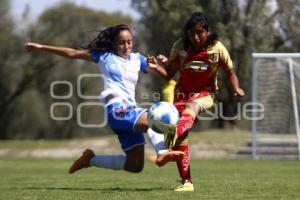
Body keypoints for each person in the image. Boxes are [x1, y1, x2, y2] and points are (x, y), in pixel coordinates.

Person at [24, 24, 184, 175]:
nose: (127, 46)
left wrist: (163, 64)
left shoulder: (138, 59)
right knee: (153, 118)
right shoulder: (104, 56)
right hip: (118, 111)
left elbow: (166, 76)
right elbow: (72, 53)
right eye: (121, 43)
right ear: (114, 44)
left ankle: (90, 159)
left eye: (129, 42)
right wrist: (41, 47)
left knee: (135, 165)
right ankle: (163, 153)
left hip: (130, 115)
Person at [153, 12, 244, 192]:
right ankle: (187, 182)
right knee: (182, 140)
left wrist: (236, 88)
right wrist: (157, 66)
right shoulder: (180, 46)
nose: (195, 37)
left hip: (205, 93)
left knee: (191, 106)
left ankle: (168, 142)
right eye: (191, 33)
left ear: (207, 31)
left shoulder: (217, 49)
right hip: (181, 93)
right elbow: (169, 75)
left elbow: (230, 72)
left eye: (199, 32)